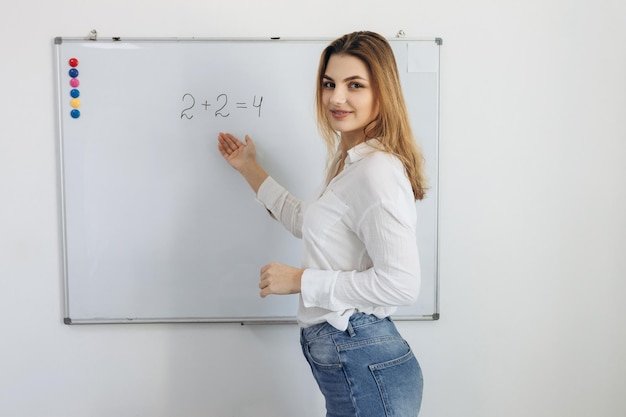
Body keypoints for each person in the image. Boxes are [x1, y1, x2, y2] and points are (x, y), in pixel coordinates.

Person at [217, 31, 427, 417]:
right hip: (353, 358)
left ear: (383, 93)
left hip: (365, 359)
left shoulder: (376, 170)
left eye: (355, 85)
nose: (336, 98)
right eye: (329, 83)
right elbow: (305, 220)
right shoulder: (349, 164)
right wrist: (249, 168)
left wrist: (301, 281)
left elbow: (402, 282)